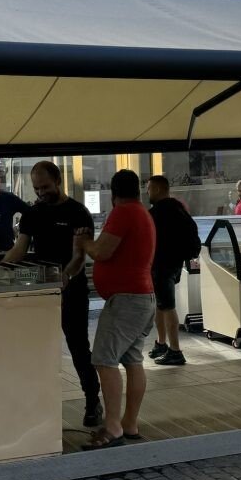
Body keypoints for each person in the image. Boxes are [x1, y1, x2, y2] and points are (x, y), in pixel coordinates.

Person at [3, 161, 101, 426]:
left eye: (45, 187)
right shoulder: (33, 213)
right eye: (36, 188)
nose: (40, 193)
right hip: (41, 292)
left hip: (72, 290)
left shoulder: (78, 213)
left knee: (78, 347)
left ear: (58, 180)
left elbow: (79, 256)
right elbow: (20, 249)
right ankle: (39, 404)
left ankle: (92, 400)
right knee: (39, 347)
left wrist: (65, 276)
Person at [75, 170, 156, 450]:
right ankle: (129, 424)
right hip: (142, 297)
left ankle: (113, 427)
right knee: (133, 360)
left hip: (126, 301)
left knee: (104, 360)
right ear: (139, 190)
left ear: (113, 193)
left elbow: (101, 252)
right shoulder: (142, 213)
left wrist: (84, 242)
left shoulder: (124, 213)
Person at [146, 175, 200, 366]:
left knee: (167, 306)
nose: (147, 192)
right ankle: (161, 344)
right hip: (174, 263)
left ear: (158, 189)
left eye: (149, 188)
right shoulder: (178, 208)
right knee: (161, 304)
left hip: (162, 265)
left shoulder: (157, 213)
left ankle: (175, 351)